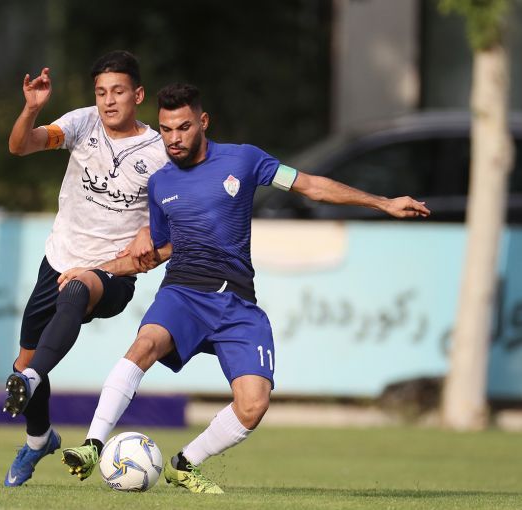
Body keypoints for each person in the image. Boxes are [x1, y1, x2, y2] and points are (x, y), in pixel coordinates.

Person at [59, 83, 430, 493]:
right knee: (144, 345)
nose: (173, 138)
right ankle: (93, 445)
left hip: (236, 303)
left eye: (183, 127)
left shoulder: (245, 160)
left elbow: (310, 185)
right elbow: (159, 251)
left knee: (253, 404)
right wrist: (94, 270)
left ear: (203, 122)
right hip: (183, 292)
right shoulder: (161, 183)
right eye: (165, 130)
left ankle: (184, 464)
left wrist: (383, 202)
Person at [1, 50, 168, 487]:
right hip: (58, 261)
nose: (109, 101)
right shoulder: (81, 124)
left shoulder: (159, 152)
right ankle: (39, 440)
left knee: (77, 291)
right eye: (101, 92)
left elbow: (177, 212)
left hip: (112, 274)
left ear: (138, 95)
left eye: (118, 91)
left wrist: (150, 231)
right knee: (22, 362)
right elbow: (20, 145)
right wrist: (31, 109)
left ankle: (32, 378)